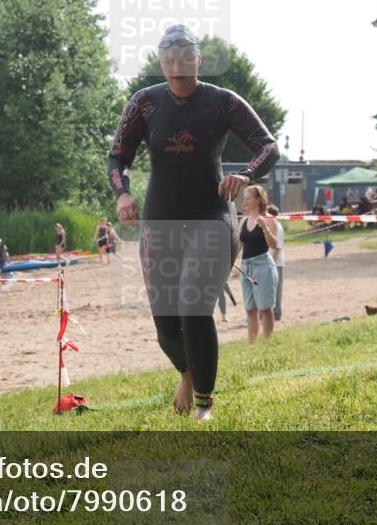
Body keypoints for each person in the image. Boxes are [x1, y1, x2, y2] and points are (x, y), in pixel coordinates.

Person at [108, 24, 278, 421]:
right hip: (161, 219)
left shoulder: (222, 101)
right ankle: (187, 373)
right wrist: (122, 193)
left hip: (210, 216)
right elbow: (118, 156)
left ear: (199, 61)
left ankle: (204, 404)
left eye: (185, 59)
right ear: (161, 63)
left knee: (193, 308)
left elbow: (268, 146)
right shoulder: (145, 103)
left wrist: (245, 174)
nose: (177, 67)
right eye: (168, 60)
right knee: (166, 325)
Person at [239, 187, 280, 343]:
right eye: (245, 198)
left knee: (265, 308)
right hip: (246, 267)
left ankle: (267, 343)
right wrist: (230, 261)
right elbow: (240, 245)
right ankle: (252, 344)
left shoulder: (269, 219)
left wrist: (264, 228)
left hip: (263, 266)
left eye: (248, 198)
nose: (245, 201)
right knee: (250, 310)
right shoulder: (244, 220)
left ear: (258, 199)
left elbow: (274, 244)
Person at [266, 204, 286, 321]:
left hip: (276, 262)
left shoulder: (278, 227)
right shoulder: (271, 227)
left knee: (277, 289)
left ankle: (277, 312)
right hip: (272, 260)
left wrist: (271, 263)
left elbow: (277, 248)